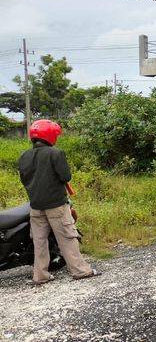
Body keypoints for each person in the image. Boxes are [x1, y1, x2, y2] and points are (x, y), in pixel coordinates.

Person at [18, 119, 101, 285]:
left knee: (39, 242)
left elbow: (24, 179)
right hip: (56, 205)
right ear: (49, 136)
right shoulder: (55, 153)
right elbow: (65, 176)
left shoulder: (24, 156)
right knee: (67, 238)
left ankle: (40, 276)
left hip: (35, 207)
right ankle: (80, 271)